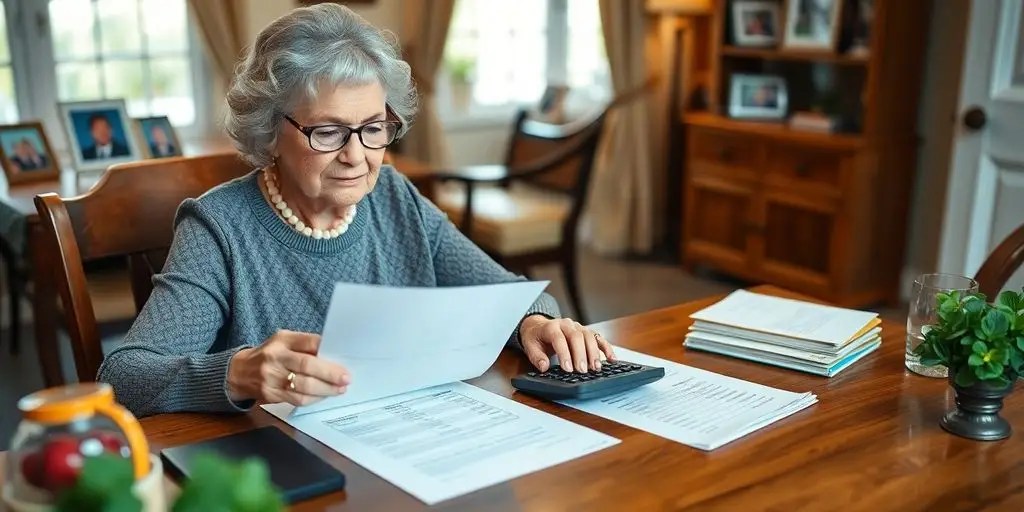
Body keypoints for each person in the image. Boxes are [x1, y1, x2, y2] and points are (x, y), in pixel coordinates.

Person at [97, 3, 616, 417]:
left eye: (373, 127)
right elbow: (124, 376)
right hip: (285, 470)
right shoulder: (219, 227)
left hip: (408, 443)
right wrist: (241, 371)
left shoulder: (393, 195)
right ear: (270, 132)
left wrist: (535, 322)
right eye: (327, 131)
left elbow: (506, 292)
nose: (357, 155)